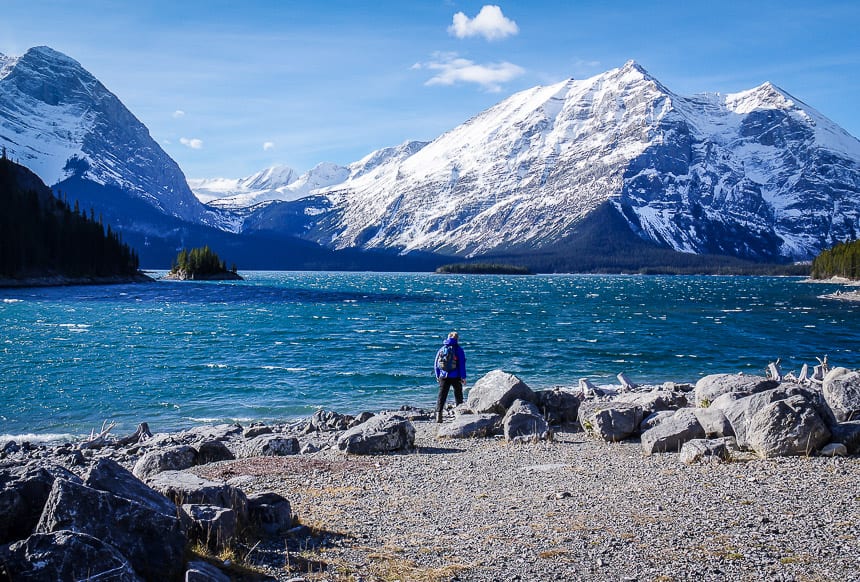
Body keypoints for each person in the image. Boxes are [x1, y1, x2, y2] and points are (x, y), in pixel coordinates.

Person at [433, 331, 467, 423]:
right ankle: (460, 416)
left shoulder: (442, 349)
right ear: (457, 339)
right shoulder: (459, 350)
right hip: (456, 376)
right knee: (458, 395)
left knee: (442, 396)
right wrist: (463, 377)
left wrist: (437, 375)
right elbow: (462, 364)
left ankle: (439, 416)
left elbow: (436, 363)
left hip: (444, 376)